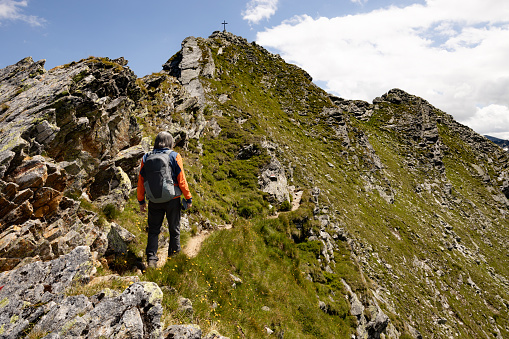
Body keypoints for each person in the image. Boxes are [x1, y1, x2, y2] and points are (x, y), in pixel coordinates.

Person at [137, 131, 192, 268]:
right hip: (172, 198)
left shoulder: (146, 157)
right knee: (174, 229)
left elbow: (141, 181)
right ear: (170, 142)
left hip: (154, 200)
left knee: (154, 230)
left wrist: (141, 201)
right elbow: (181, 180)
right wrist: (188, 197)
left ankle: (151, 260)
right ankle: (173, 260)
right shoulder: (174, 156)